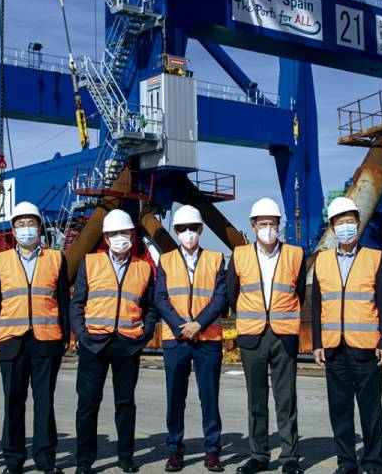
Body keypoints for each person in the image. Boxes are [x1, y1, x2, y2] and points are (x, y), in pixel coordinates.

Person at [71, 209, 158, 474]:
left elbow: (150, 306)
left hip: (127, 344)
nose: (121, 237)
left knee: (125, 403)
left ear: (132, 235)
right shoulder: (90, 263)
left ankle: (125, 456)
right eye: (115, 234)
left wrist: (146, 333)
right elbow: (77, 303)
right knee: (87, 403)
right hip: (94, 343)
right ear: (106, 237)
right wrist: (82, 334)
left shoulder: (143, 268)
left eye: (125, 233)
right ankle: (84, 460)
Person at [311, 197, 382, 474]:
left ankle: (372, 462)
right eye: (340, 222)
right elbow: (317, 305)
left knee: (371, 409)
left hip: (367, 348)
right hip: (334, 348)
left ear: (358, 223)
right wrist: (317, 343)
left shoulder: (375, 257)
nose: (346, 227)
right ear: (332, 227)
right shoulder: (321, 261)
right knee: (340, 409)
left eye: (350, 221)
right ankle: (346, 462)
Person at [0, 201, 69, 474]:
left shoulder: (56, 258)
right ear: (13, 229)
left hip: (47, 341)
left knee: (44, 402)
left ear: (39, 226)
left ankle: (46, 460)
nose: (26, 229)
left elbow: (62, 302)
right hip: (12, 341)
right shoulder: (0, 260)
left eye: (30, 223)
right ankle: (13, 460)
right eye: (20, 224)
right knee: (13, 401)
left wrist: (65, 338)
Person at [227, 197, 306, 474]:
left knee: (286, 399)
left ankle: (289, 457)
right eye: (263, 224)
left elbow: (301, 294)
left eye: (272, 224)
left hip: (284, 336)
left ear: (279, 225)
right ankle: (258, 455)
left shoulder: (296, 254)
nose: (268, 229)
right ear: (253, 225)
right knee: (256, 400)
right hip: (252, 337)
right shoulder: (239, 255)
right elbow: (232, 294)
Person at [155, 205, 227, 472]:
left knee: (209, 397)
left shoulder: (217, 259)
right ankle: (174, 449)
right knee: (175, 397)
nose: (188, 234)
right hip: (176, 340)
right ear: (175, 232)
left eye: (193, 229)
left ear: (201, 230)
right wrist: (181, 326)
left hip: (207, 338)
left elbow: (220, 296)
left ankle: (212, 450)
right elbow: (160, 298)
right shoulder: (165, 260)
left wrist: (198, 323)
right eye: (183, 229)